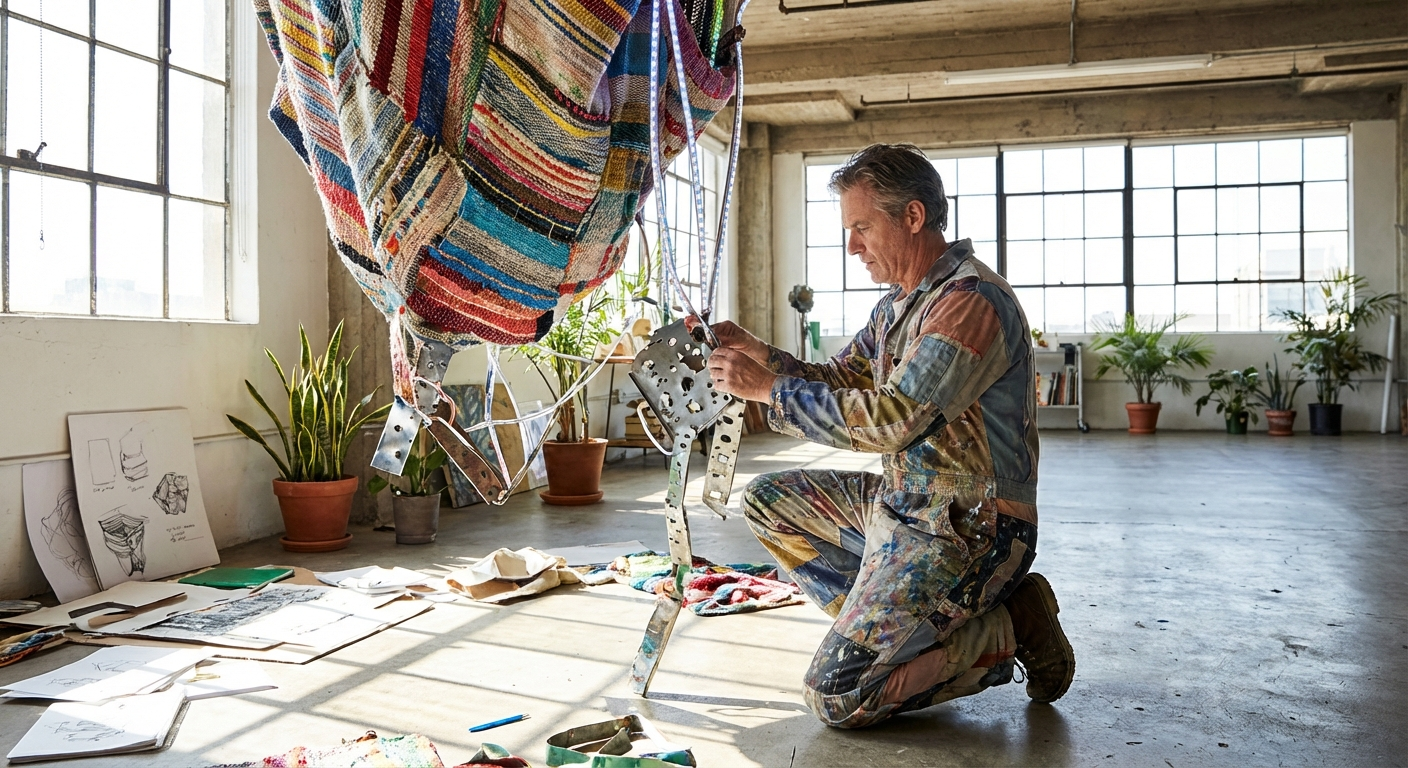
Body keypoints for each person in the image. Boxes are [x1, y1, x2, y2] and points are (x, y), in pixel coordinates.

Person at [705, 143, 1075, 728]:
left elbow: (893, 418)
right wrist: (762, 357)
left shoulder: (969, 303)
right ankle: (893, 626)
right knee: (766, 500)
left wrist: (767, 390)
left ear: (912, 216)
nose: (851, 245)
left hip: (970, 524)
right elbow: (840, 381)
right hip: (904, 506)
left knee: (839, 695)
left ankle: (1006, 626)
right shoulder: (897, 308)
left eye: (861, 227)